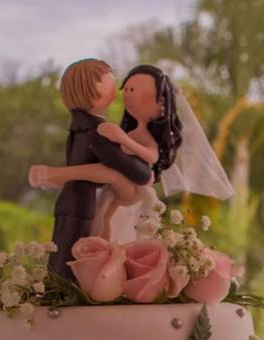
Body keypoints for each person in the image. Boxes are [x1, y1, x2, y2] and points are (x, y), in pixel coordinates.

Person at [31, 64, 234, 246]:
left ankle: (60, 175)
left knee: (111, 172)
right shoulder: (114, 129)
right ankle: (102, 247)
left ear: (160, 104)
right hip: (118, 189)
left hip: (134, 188)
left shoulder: (141, 136)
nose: (126, 93)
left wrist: (123, 139)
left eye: (133, 90)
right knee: (103, 219)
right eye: (125, 89)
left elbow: (152, 157)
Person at [39, 58, 152, 279]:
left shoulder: (75, 130)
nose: (118, 88)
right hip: (82, 203)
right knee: (72, 265)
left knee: (59, 258)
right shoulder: (97, 131)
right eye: (112, 82)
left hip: (67, 199)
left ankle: (55, 295)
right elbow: (132, 169)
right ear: (97, 86)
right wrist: (144, 169)